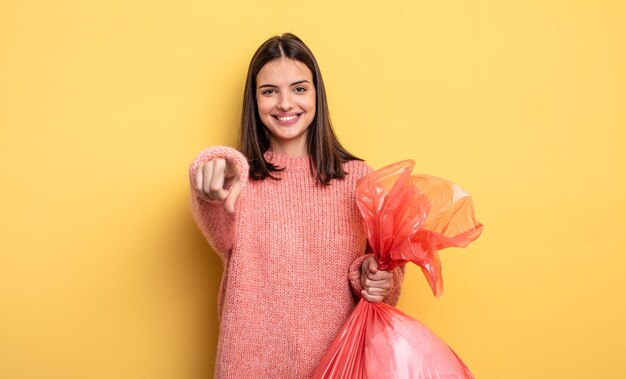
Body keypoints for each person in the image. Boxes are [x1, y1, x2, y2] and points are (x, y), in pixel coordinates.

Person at [189, 33, 404, 378]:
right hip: (249, 364)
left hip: (339, 363)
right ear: (254, 101)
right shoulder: (238, 177)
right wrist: (210, 182)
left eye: (299, 89)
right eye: (269, 91)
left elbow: (382, 278)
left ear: (317, 95)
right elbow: (220, 231)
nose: (285, 103)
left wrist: (378, 279)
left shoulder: (360, 179)